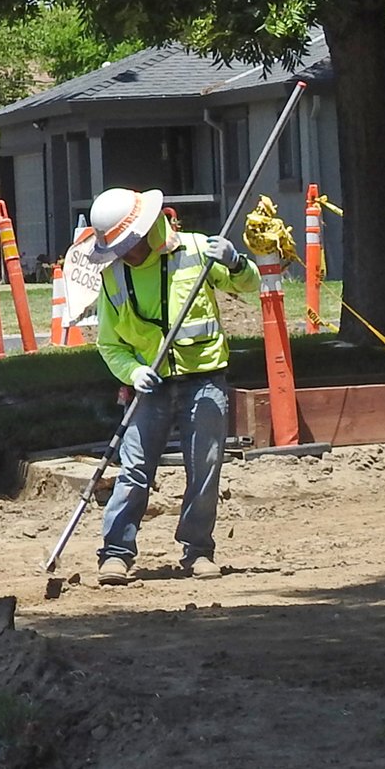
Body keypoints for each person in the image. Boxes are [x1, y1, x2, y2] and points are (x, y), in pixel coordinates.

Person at [86, 185, 258, 583]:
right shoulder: (113, 277)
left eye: (129, 243)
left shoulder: (196, 252)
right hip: (150, 386)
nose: (126, 253)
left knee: (205, 467)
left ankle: (198, 550)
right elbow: (110, 345)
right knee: (134, 471)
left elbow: (246, 286)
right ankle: (115, 553)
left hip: (205, 380)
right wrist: (132, 373)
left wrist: (235, 264)